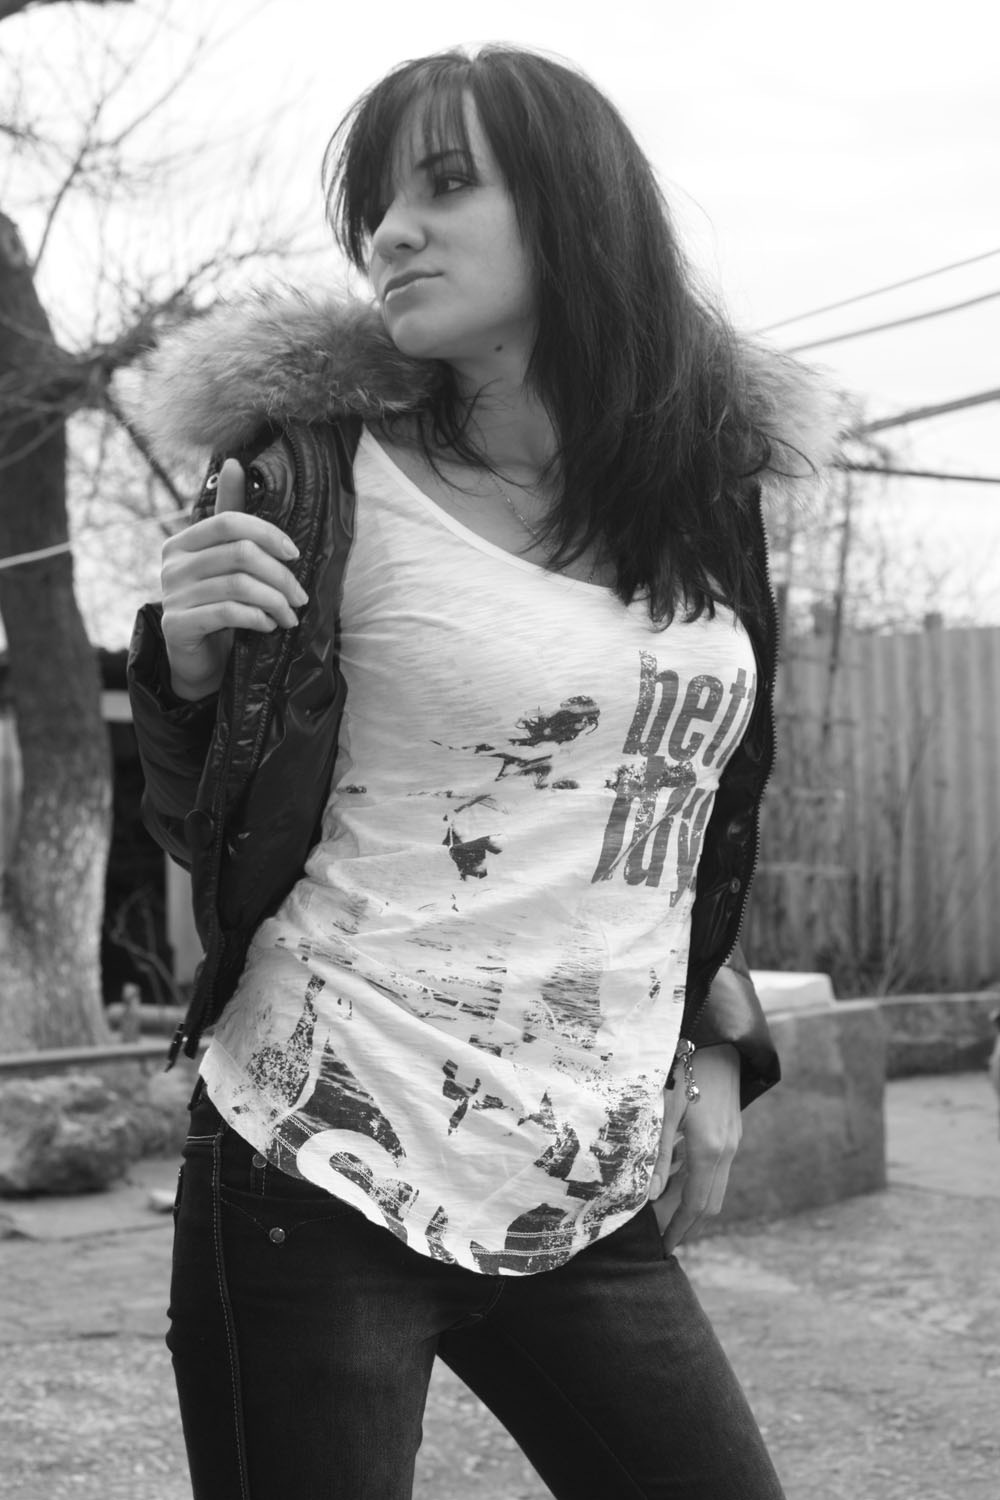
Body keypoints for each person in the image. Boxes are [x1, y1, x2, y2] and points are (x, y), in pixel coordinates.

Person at [128, 43, 832, 1500]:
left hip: (583, 1178)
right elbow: (216, 828)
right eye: (378, 205)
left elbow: (677, 803)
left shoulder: (704, 499)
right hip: (319, 1150)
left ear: (577, 210)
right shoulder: (316, 480)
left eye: (446, 187)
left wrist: (716, 1038)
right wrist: (187, 673)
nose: (393, 232)